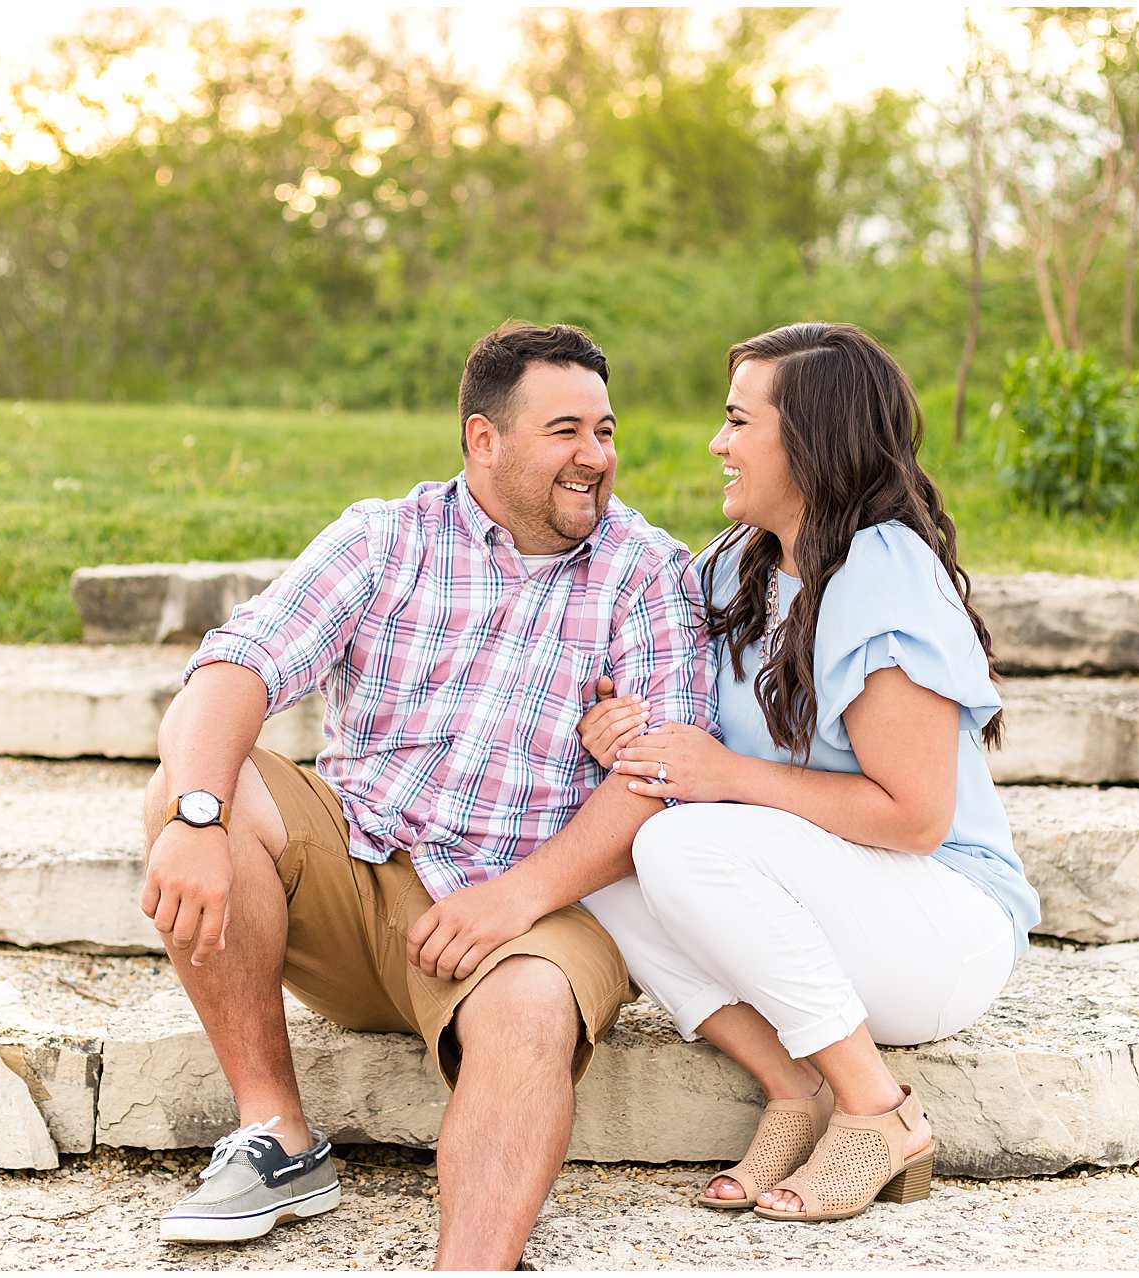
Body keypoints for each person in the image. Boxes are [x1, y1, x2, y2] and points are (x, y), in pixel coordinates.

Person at [138, 321, 716, 1269]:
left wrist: (518, 897)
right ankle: (277, 1136)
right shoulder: (384, 538)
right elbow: (233, 669)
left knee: (530, 1008)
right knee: (195, 779)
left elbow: (658, 775)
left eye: (606, 432)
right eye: (565, 432)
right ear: (483, 440)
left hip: (529, 901)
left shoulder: (649, 571)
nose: (596, 458)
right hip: (354, 869)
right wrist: (196, 816)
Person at [575, 322, 1041, 1223]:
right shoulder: (738, 570)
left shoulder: (883, 572)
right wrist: (620, 729)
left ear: (812, 443)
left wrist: (720, 776)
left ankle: (878, 1111)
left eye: (739, 421)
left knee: (677, 842)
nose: (718, 443)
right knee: (598, 862)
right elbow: (688, 746)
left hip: (939, 929)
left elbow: (914, 819)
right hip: (825, 918)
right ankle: (795, 1089)